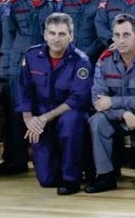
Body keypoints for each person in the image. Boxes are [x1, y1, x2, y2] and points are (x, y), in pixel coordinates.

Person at [85, 13, 135, 193]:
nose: (121, 41)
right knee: (97, 121)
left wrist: (114, 102)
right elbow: (98, 101)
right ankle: (105, 176)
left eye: (126, 35)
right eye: (117, 35)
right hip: (119, 121)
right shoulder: (105, 59)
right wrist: (123, 113)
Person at [16, 12, 93, 194]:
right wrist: (29, 120)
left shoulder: (81, 61)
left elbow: (77, 98)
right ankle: (59, 168)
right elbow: (24, 90)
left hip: (68, 112)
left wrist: (44, 118)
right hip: (41, 114)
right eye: (52, 33)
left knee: (70, 122)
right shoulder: (32, 55)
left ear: (71, 36)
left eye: (62, 34)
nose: (56, 39)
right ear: (45, 35)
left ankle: (71, 178)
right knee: (47, 181)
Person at [6, 0, 58, 171]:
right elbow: (7, 37)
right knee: (16, 111)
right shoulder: (13, 6)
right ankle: (16, 160)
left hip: (45, 63)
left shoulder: (55, 5)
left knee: (43, 107)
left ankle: (43, 160)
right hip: (18, 63)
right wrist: (10, 65)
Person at [0, 0, 29, 175]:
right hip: (8, 67)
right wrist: (9, 54)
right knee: (10, 115)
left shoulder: (38, 4)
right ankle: (13, 158)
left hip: (31, 66)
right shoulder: (2, 8)